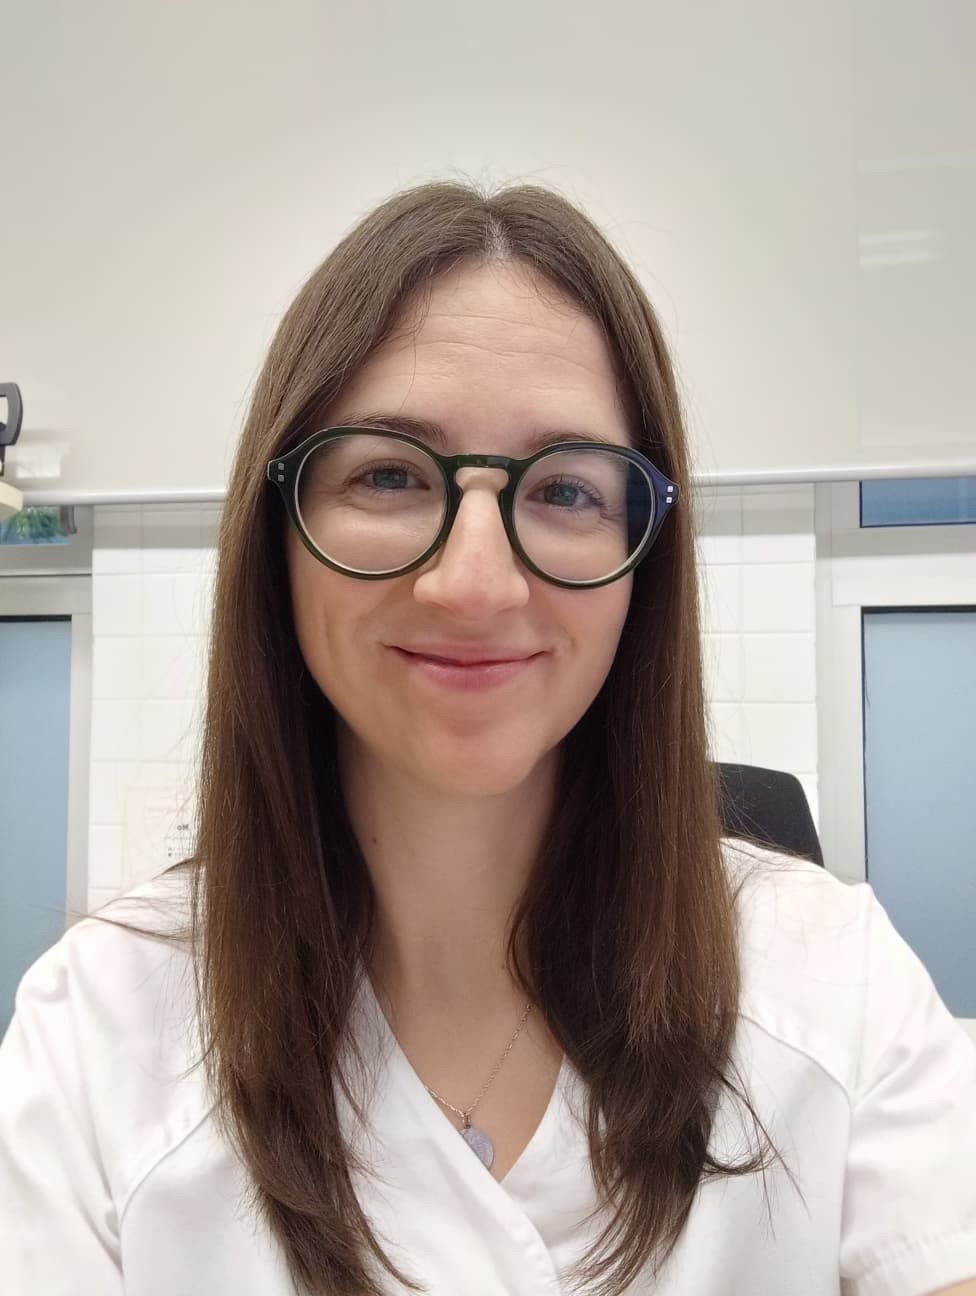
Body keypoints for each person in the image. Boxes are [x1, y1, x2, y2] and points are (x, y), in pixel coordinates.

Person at [1, 180, 975, 1296]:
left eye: (563, 488)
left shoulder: (834, 984)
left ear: (641, 560)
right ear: (278, 537)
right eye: (389, 475)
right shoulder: (96, 1028)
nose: (473, 583)